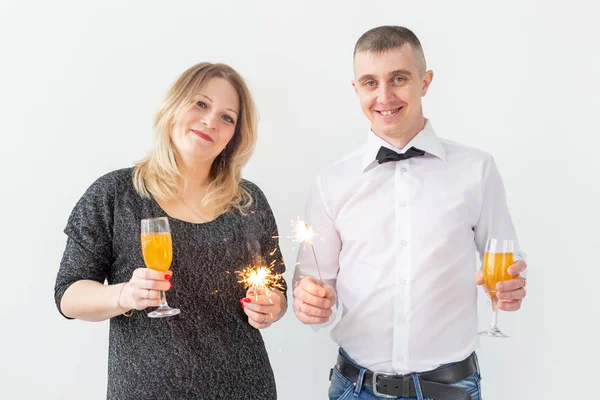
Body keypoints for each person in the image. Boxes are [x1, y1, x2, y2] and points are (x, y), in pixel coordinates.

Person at [293, 26, 527, 400]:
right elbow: (314, 282)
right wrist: (309, 304)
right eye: (370, 82)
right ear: (356, 89)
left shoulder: (477, 169)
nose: (384, 96)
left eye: (398, 79)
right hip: (355, 389)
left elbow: (506, 259)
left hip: (450, 389)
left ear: (425, 81)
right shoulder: (330, 181)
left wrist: (509, 288)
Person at [54, 62, 287, 400]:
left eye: (227, 117)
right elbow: (68, 296)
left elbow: (276, 290)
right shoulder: (116, 193)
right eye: (201, 104)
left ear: (235, 136)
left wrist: (271, 307)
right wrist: (123, 296)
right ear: (174, 105)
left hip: (246, 388)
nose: (210, 121)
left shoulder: (248, 201)